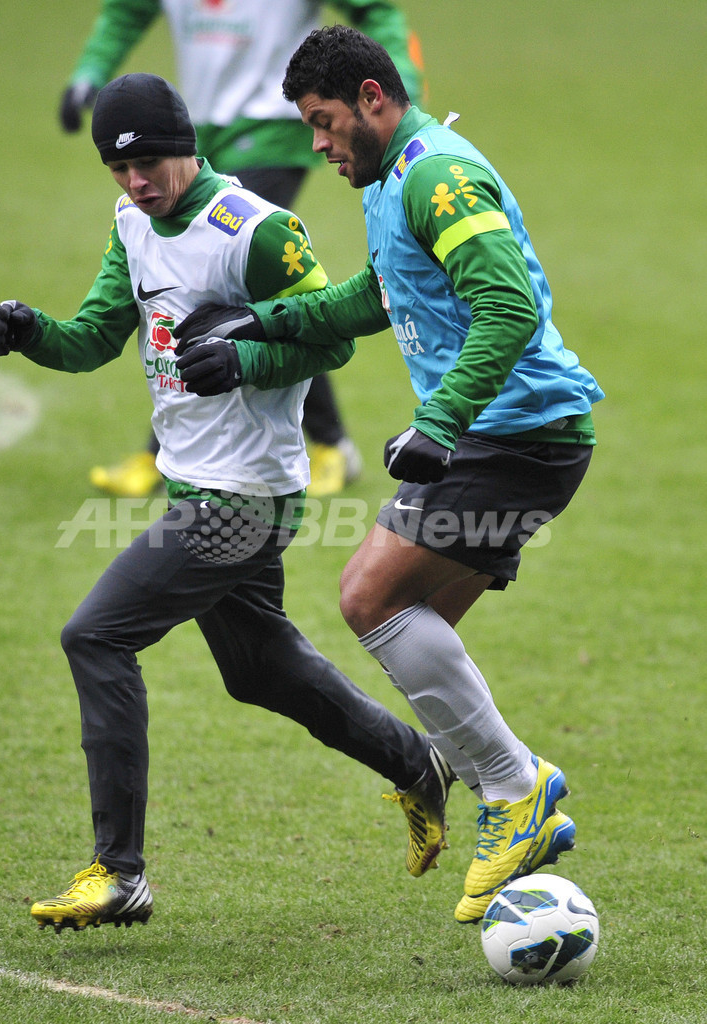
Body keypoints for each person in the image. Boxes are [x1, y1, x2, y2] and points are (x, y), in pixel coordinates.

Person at [0, 72, 456, 933]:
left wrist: (245, 359)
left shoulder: (256, 231)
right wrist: (34, 335)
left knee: (96, 635)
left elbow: (331, 342)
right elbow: (94, 338)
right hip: (194, 484)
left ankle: (119, 872)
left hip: (247, 496)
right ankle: (416, 763)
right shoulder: (132, 223)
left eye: (149, 164)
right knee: (258, 670)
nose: (136, 182)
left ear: (186, 146)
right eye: (118, 169)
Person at [175, 26, 605, 925]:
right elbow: (378, 294)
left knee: (368, 597)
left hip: (515, 434)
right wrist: (264, 323)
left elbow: (507, 307)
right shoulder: (391, 178)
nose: (318, 144)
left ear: (371, 97)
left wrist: (439, 424)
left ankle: (514, 788)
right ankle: (493, 785)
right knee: (417, 632)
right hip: (513, 434)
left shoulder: (435, 176)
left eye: (324, 122)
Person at [59, 0, 423, 499]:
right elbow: (127, 10)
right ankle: (318, 442)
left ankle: (316, 444)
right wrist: (90, 71)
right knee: (237, 290)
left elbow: (376, 10)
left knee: (246, 273)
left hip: (273, 125)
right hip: (194, 129)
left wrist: (401, 91)